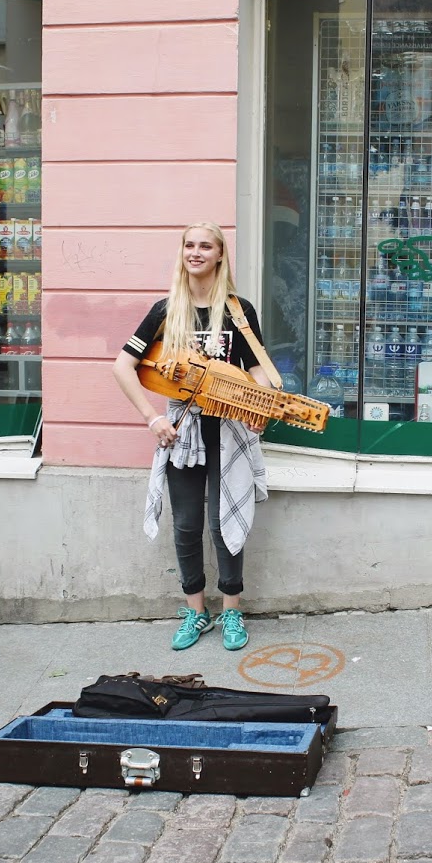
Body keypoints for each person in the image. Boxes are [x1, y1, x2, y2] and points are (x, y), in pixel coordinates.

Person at [113, 223, 271, 652]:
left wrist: (263, 405)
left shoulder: (239, 311)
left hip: (230, 427)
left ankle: (232, 610)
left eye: (206, 246)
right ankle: (196, 612)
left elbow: (257, 370)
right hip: (181, 431)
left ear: (220, 255)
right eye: (189, 245)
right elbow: (122, 366)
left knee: (225, 523)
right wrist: (151, 418)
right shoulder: (166, 311)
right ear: (181, 252)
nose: (196, 252)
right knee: (185, 526)